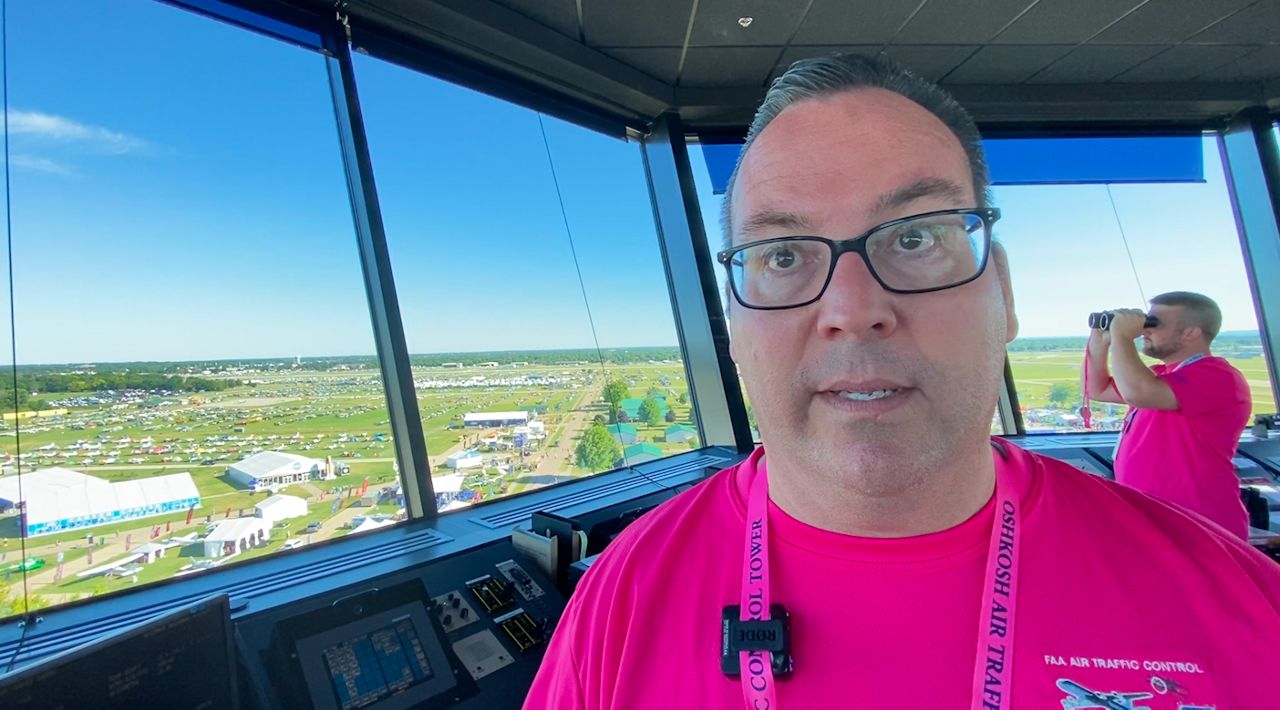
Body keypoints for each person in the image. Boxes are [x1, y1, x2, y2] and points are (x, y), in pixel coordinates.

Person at [525, 55, 1280, 709]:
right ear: (731, 325)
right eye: (783, 255)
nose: (853, 311)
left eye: (916, 237)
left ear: (1005, 297)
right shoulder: (623, 599)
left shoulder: (1242, 606)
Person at [1085, 293, 1253, 537]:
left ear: (1190, 333)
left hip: (1199, 523)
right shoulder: (1161, 375)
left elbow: (1139, 392)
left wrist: (1122, 337)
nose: (1144, 331)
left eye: (1153, 323)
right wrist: (1099, 343)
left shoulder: (1218, 376)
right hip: (1157, 519)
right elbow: (1096, 389)